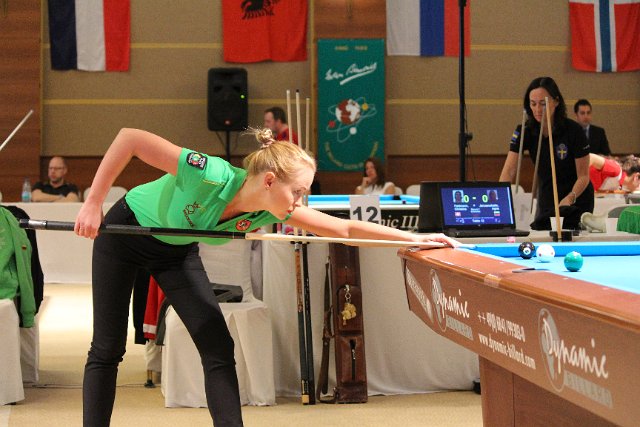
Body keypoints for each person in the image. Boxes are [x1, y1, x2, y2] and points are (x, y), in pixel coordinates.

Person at [74, 127, 458, 427]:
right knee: (107, 348)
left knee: (217, 347)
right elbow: (131, 139)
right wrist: (93, 203)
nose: (299, 202)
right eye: (298, 192)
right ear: (270, 180)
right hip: (124, 233)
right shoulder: (209, 173)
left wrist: (414, 238)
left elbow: (342, 229)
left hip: (175, 251)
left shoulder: (271, 209)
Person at [499, 77, 594, 230]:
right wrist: (500, 201)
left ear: (556, 101)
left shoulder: (574, 130)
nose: (537, 109)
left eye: (543, 103)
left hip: (576, 199)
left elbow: (583, 176)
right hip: (547, 197)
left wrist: (569, 199)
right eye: (533, 104)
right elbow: (509, 171)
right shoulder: (524, 130)